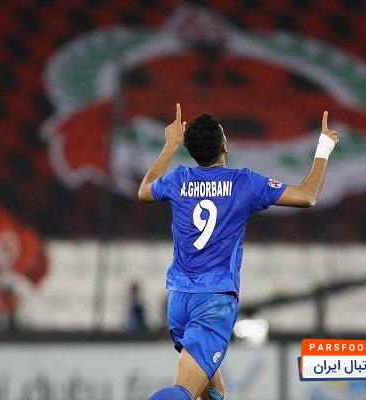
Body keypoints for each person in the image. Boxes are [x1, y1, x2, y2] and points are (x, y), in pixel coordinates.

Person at [138, 104, 338, 400]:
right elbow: (307, 196)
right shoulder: (244, 183)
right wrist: (324, 146)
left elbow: (144, 190)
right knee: (183, 391)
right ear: (225, 146)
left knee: (213, 393)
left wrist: (170, 145)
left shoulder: (178, 180)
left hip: (179, 300)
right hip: (213, 302)